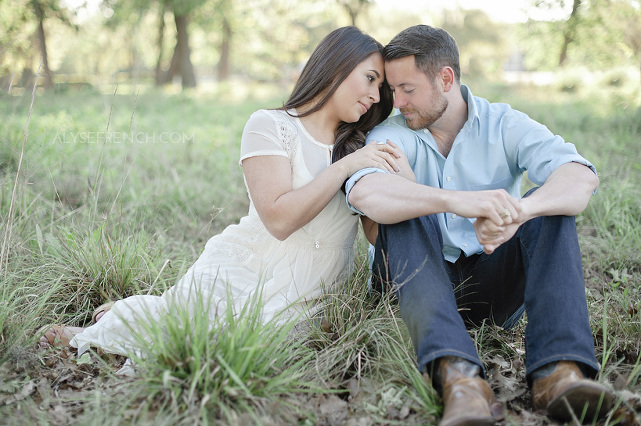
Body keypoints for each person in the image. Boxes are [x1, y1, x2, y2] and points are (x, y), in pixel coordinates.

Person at [39, 26, 405, 361]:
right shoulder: (270, 126)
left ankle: (128, 315)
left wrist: (404, 195)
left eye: (380, 89)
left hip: (319, 293)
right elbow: (278, 219)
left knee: (251, 349)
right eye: (370, 79)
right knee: (195, 342)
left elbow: (374, 231)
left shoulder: (362, 143)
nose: (375, 96)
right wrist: (344, 167)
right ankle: (106, 326)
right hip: (251, 269)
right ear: (336, 65)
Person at [343, 25, 616, 425]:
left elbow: (580, 176)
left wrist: (518, 213)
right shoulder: (390, 135)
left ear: (446, 79)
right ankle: (461, 380)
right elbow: (366, 194)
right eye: (392, 91)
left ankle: (559, 376)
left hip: (489, 290)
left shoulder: (503, 123)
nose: (396, 102)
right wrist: (455, 201)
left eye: (407, 89)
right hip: (410, 287)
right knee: (401, 206)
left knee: (551, 207)